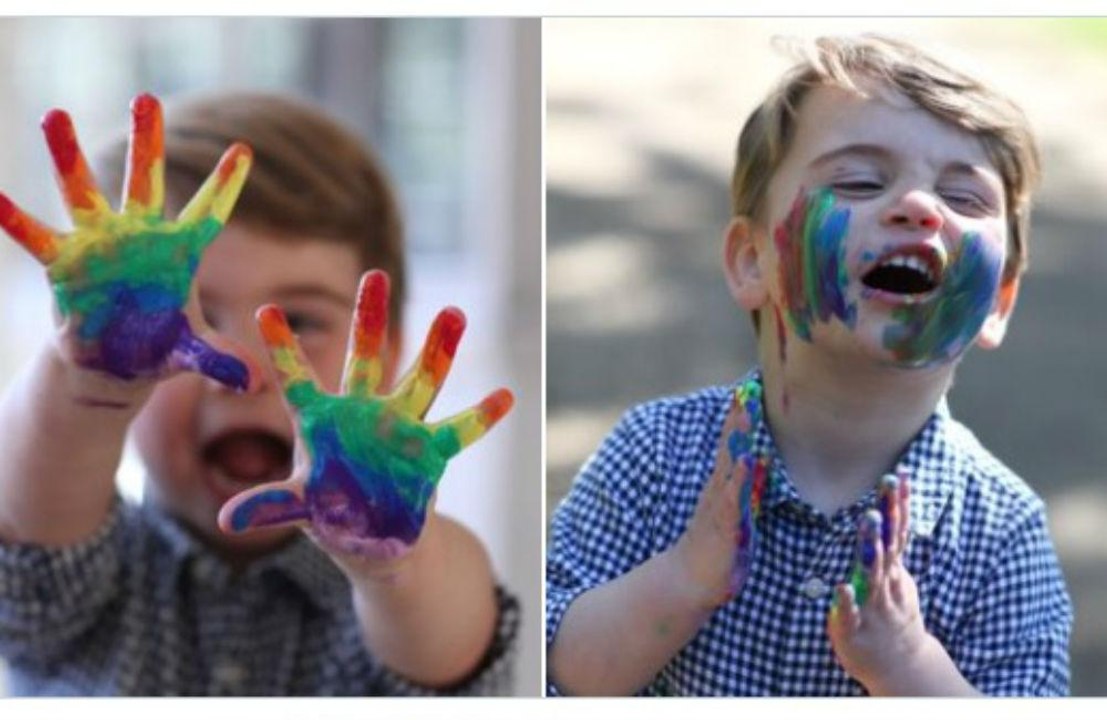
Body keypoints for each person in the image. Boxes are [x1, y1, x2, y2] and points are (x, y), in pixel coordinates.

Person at [546, 34, 1072, 696]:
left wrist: (907, 664)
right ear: (750, 262)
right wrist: (681, 582)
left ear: (996, 300)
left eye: (964, 199)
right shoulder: (655, 455)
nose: (918, 207)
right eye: (857, 181)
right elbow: (546, 673)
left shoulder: (1000, 533)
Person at [0, 92, 518, 695]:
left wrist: (398, 567)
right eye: (183, 317)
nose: (245, 369)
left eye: (298, 322)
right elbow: (26, 515)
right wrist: (90, 385)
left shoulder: (402, 590)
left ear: (390, 361)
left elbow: (449, 643)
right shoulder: (80, 585)